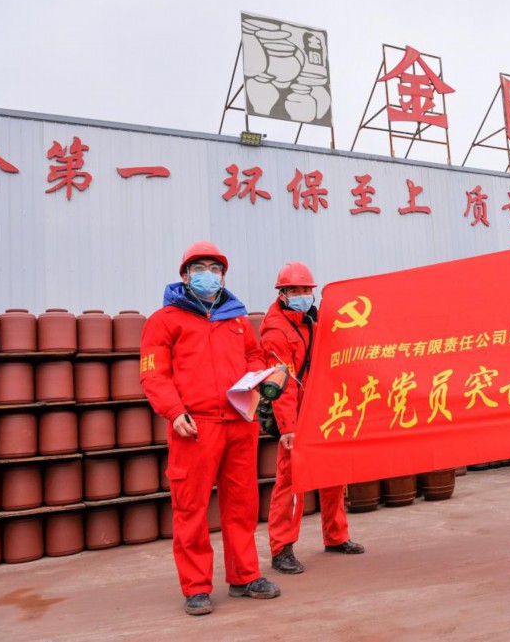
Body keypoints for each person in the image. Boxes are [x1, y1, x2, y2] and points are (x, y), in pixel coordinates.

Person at [140, 241, 281, 615]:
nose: (209, 275)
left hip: (239, 422)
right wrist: (174, 412)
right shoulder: (164, 320)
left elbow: (254, 355)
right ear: (185, 276)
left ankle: (245, 576)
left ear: (223, 276)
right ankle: (197, 587)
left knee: (242, 505)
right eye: (200, 268)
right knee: (191, 508)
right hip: (194, 426)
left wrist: (256, 380)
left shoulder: (237, 319)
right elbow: (153, 374)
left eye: (215, 269)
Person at [259, 261, 364, 575]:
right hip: (295, 413)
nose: (303, 295)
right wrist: (288, 427)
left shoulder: (313, 322)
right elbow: (282, 382)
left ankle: (336, 535)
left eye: (306, 290)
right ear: (282, 293)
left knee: (333, 472)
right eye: (295, 290)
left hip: (321, 408)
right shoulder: (276, 331)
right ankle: (282, 549)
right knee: (291, 482)